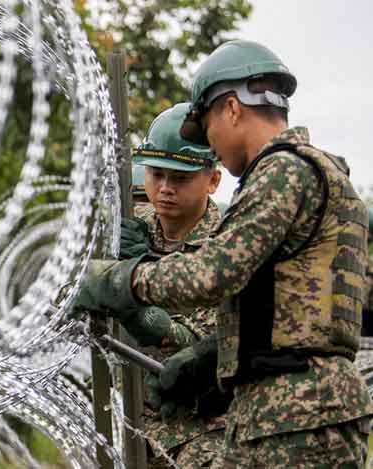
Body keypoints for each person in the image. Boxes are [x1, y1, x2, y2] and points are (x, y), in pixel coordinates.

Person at [73, 39, 372, 467]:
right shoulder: (318, 171)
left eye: (207, 128)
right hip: (294, 412)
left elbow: (214, 272)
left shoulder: (283, 170)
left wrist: (117, 281)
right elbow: (292, 305)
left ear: (231, 109)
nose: (211, 142)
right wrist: (207, 356)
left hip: (294, 414)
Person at [102, 103, 225, 467]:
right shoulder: (127, 225)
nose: (165, 189)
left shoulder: (230, 244)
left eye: (181, 178)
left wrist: (136, 294)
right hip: (129, 426)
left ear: (213, 180)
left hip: (198, 433)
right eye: (157, 175)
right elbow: (73, 296)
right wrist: (110, 260)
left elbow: (206, 347)